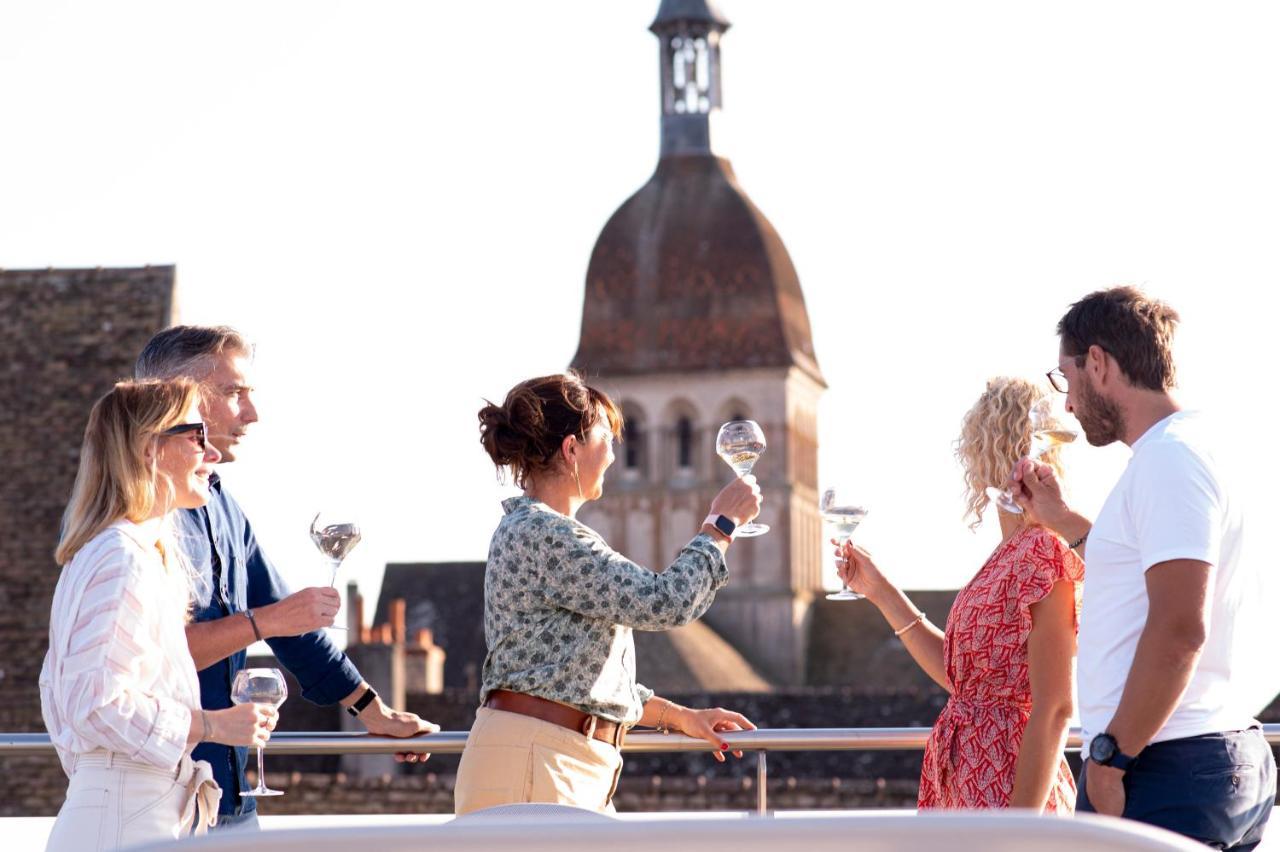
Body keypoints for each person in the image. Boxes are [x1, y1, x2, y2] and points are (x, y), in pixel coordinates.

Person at [135, 325, 438, 830]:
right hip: (160, 801)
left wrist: (371, 709)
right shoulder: (134, 516)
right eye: (234, 394)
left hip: (230, 801)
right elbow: (163, 654)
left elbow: (293, 629)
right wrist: (266, 621)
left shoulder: (225, 507)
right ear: (177, 396)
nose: (252, 413)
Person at [1013, 286, 1275, 849]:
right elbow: (1139, 574)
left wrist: (1110, 757)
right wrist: (1062, 520)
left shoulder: (1168, 461)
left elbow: (1181, 627)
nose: (1067, 404)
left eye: (1067, 378)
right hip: (1207, 755)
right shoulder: (1202, 450)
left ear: (1100, 363)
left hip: (1163, 765)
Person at [454, 372, 762, 814]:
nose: (615, 454)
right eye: (607, 437)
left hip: (552, 762)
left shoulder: (538, 531)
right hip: (540, 764)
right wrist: (720, 526)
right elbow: (665, 602)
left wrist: (681, 719)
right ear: (571, 448)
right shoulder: (545, 534)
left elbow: (578, 681)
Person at [40, 379, 278, 850]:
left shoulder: (120, 554)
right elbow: (95, 705)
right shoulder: (120, 559)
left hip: (129, 813)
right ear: (150, 447)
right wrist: (213, 725)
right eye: (197, 437)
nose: (213, 455)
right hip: (126, 822)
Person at [836, 377, 1083, 813]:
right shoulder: (1010, 554)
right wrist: (879, 591)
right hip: (965, 781)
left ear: (987, 449)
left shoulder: (1041, 552)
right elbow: (966, 684)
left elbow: (1057, 707)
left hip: (1007, 786)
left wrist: (1016, 829)